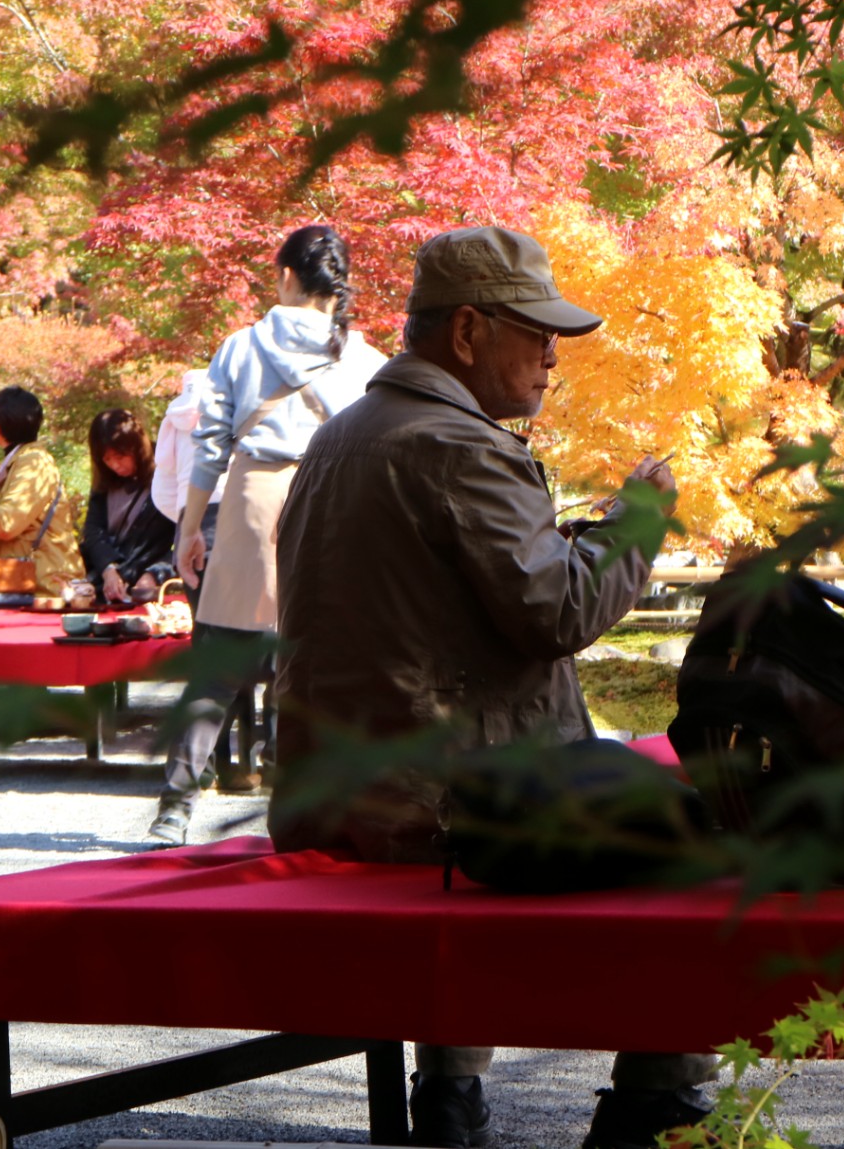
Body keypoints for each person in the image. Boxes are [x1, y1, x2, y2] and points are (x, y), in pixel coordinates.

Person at [269, 225, 715, 1149]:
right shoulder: (462, 446)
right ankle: (656, 1112)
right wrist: (637, 521)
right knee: (704, 853)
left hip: (338, 798)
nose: (553, 356)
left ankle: (449, 1095)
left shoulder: (340, 436)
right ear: (468, 333)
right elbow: (559, 612)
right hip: (451, 816)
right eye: (535, 332)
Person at [150, 224, 388, 845]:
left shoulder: (240, 346)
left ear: (286, 276)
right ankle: (299, 811)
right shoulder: (365, 359)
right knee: (311, 662)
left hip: (252, 502)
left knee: (221, 660)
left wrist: (188, 529)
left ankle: (175, 805)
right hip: (332, 506)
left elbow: (208, 447)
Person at [0, 386, 79, 599]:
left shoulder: (33, 461)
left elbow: (6, 523)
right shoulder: (22, 460)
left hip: (44, 587)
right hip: (31, 584)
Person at [82, 407, 177, 602]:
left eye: (120, 456)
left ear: (136, 447)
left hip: (147, 589)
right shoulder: (104, 482)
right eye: (107, 459)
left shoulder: (166, 471)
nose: (114, 465)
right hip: (104, 588)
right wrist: (108, 569)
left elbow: (185, 536)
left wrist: (155, 573)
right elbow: (93, 530)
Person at [150, 369, 224, 606]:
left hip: (188, 523)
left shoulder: (172, 420)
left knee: (202, 618)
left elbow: (161, 492)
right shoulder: (228, 410)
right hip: (230, 514)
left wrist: (186, 518)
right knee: (240, 621)